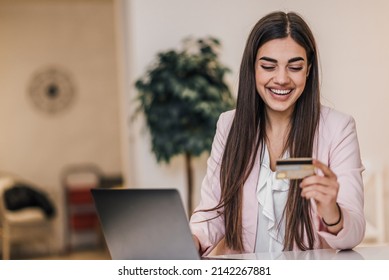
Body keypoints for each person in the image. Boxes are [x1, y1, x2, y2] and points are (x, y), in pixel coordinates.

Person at [189, 11, 365, 256]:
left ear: (308, 70)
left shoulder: (339, 128)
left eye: (294, 67)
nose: (281, 79)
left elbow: (354, 233)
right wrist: (192, 239)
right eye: (268, 66)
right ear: (252, 68)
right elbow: (213, 212)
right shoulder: (229, 125)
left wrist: (331, 211)